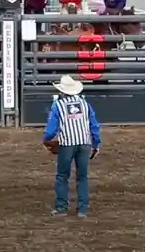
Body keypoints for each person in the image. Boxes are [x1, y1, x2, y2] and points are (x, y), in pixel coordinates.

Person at [42, 75, 102, 218]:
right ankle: (82, 209)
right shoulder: (85, 104)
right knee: (82, 177)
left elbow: (51, 129)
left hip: (66, 144)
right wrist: (96, 143)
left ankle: (62, 208)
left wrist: (46, 139)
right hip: (84, 143)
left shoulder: (58, 105)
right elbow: (94, 125)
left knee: (62, 176)